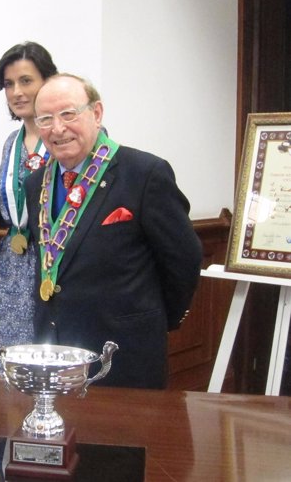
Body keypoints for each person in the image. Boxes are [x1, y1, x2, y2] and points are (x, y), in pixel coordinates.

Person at [25, 73, 202, 389]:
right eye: (46, 119)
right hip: (54, 348)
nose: (58, 128)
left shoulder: (145, 174)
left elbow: (184, 260)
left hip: (124, 352)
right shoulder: (36, 183)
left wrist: (156, 318)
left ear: (96, 113)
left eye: (68, 114)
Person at [0, 42, 58, 363]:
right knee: (9, 366)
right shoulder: (10, 143)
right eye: (8, 84)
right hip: (12, 267)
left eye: (26, 81)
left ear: (49, 81)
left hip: (55, 261)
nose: (16, 91)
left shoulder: (69, 138)